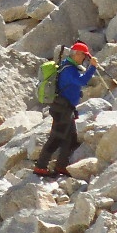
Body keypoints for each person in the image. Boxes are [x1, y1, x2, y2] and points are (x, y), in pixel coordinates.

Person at [34, 43, 99, 178]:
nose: (84, 59)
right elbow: (82, 82)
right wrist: (92, 67)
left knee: (70, 138)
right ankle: (40, 167)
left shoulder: (67, 65)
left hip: (64, 108)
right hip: (62, 109)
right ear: (77, 54)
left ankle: (61, 166)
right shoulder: (69, 69)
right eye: (84, 56)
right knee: (56, 138)